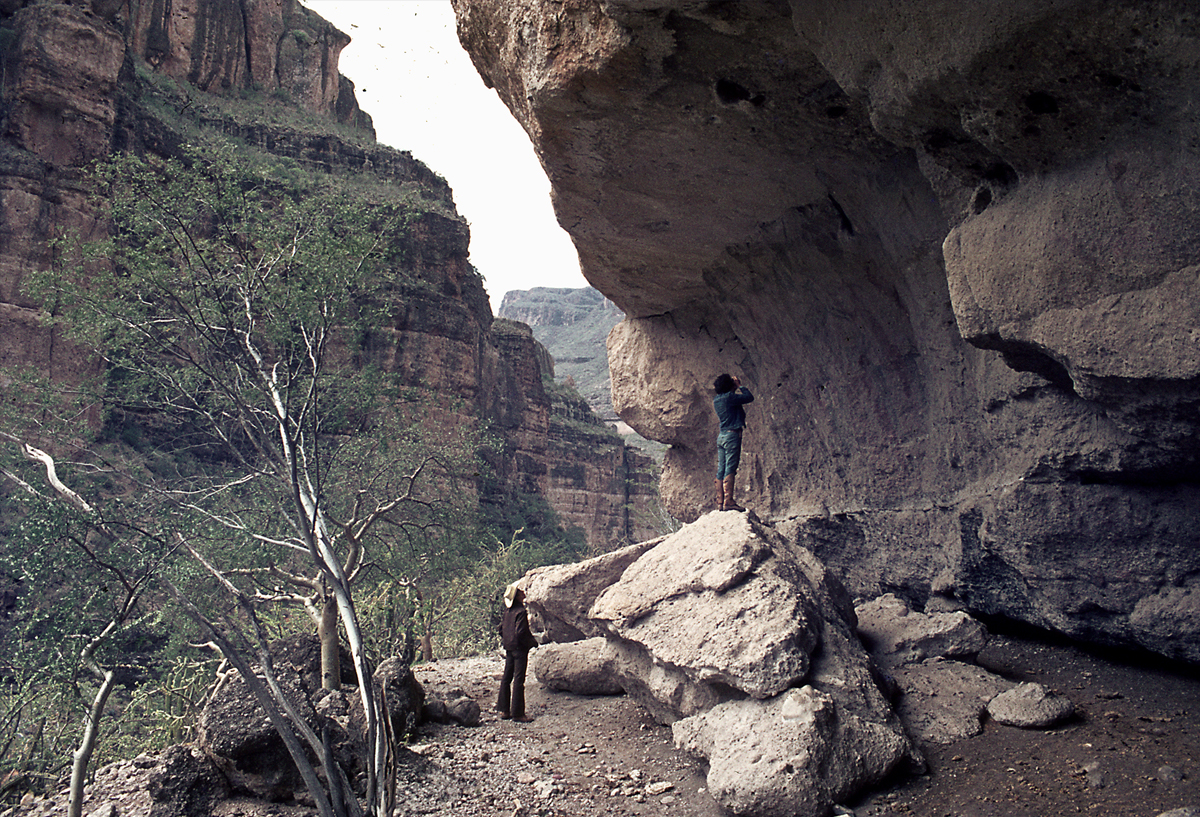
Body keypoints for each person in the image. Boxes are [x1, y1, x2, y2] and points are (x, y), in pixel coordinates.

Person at [712, 373, 754, 511]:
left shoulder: (717, 400)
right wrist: (740, 386)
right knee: (730, 468)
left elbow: (729, 399)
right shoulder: (730, 397)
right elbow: (749, 397)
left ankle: (720, 502)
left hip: (722, 436)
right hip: (732, 436)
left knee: (721, 469)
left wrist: (732, 388)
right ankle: (729, 501)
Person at [497, 582, 538, 722]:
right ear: (516, 597)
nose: (523, 594)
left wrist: (508, 641)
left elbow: (500, 629)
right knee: (519, 680)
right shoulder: (520, 612)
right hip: (520, 650)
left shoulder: (507, 612)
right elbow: (521, 632)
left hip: (509, 648)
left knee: (506, 678)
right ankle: (518, 714)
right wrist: (532, 642)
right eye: (520, 593)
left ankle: (504, 710)